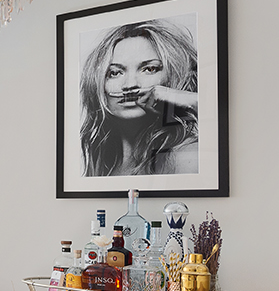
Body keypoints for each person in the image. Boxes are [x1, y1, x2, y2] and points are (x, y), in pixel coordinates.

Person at [80, 19, 199, 176]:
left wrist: (192, 101)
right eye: (115, 73)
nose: (130, 85)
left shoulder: (188, 156)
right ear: (98, 83)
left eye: (149, 69)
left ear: (172, 75)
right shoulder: (101, 163)